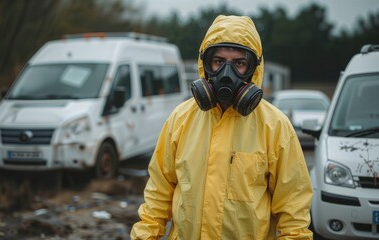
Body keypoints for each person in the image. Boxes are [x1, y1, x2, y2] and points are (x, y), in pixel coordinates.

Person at [131, 15, 313, 239]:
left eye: (239, 63)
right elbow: (157, 197)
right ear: (205, 65)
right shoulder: (180, 119)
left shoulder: (275, 127)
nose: (227, 74)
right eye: (218, 61)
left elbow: (294, 213)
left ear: (253, 69)